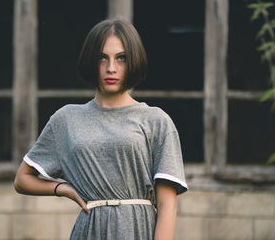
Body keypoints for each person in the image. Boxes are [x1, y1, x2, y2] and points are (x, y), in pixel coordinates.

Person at [14, 19, 188, 239]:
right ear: (91, 61)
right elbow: (22, 179)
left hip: (137, 230)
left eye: (121, 58)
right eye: (102, 58)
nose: (111, 68)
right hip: (88, 230)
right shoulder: (66, 119)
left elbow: (167, 206)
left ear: (133, 61)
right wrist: (63, 189)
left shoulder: (156, 120)